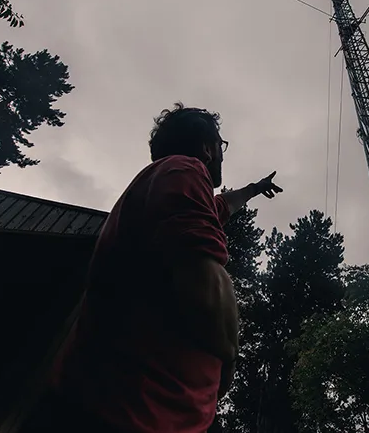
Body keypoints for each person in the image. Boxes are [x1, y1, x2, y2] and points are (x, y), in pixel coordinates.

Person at [25, 103, 282, 433]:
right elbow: (207, 291)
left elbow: (222, 207)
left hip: (147, 412)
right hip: (131, 414)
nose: (222, 154)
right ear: (207, 147)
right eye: (221, 145)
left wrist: (254, 189)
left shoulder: (168, 189)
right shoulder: (184, 171)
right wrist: (228, 362)